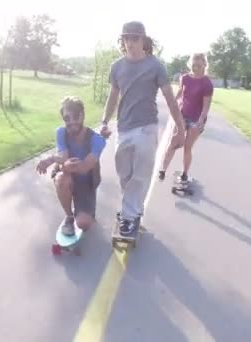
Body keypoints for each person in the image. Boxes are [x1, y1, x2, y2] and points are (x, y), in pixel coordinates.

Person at [99, 21, 186, 236]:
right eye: (126, 38)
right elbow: (113, 96)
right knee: (125, 175)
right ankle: (134, 209)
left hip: (147, 126)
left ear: (144, 40)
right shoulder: (116, 66)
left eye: (135, 38)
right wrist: (104, 121)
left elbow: (170, 98)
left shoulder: (155, 66)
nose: (130, 43)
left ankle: (128, 216)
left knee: (140, 175)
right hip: (124, 127)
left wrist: (180, 128)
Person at [36, 96, 107, 236]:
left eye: (76, 116)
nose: (72, 121)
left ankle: (85, 208)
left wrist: (60, 163)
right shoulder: (61, 133)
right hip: (70, 178)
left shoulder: (97, 140)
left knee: (84, 224)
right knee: (61, 178)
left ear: (83, 115)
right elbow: (63, 157)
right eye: (67, 118)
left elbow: (85, 166)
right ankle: (69, 216)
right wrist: (50, 159)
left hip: (87, 183)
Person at [159, 52, 214, 183]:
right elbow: (180, 93)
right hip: (182, 115)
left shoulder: (207, 83)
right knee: (174, 142)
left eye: (199, 65)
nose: (196, 68)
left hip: (197, 119)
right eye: (193, 65)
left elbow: (206, 105)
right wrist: (173, 102)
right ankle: (163, 170)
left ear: (204, 65)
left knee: (187, 147)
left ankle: (185, 174)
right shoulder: (184, 78)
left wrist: (201, 121)